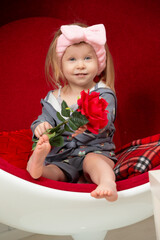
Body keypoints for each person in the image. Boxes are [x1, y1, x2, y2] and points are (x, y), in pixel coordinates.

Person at [27, 23, 118, 201]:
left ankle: (107, 182)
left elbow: (104, 120)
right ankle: (37, 166)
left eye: (87, 58)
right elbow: (43, 118)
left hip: (95, 150)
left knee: (95, 162)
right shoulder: (54, 97)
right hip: (63, 156)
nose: (80, 66)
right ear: (60, 65)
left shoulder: (103, 92)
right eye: (72, 59)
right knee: (55, 170)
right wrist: (41, 127)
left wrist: (87, 124)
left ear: (99, 61)